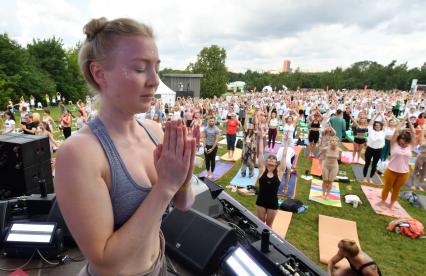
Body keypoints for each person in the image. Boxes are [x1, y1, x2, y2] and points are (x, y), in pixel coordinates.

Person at [55, 17, 195, 276]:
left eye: (156, 67)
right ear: (99, 74)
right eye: (140, 69)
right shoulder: (80, 153)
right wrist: (164, 187)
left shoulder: (154, 131)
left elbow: (184, 203)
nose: (154, 80)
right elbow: (107, 263)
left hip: (158, 265)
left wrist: (182, 178)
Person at [378, 116, 415, 209]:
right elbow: (396, 131)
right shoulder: (394, 145)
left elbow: (414, 133)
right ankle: (382, 201)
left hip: (404, 173)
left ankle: (391, 204)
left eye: (405, 140)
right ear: (399, 139)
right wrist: (403, 120)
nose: (403, 142)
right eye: (401, 139)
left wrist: (409, 122)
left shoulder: (410, 146)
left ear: (408, 141)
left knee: (397, 189)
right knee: (387, 187)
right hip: (391, 170)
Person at [255, 128, 290, 227]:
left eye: (273, 158)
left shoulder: (279, 172)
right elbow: (261, 153)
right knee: (261, 224)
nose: (271, 158)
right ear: (266, 162)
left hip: (273, 203)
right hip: (261, 201)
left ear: (276, 163)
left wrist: (286, 142)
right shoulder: (262, 170)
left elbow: (284, 155)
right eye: (269, 158)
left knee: (269, 225)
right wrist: (261, 138)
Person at [362, 114, 385, 183]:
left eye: (379, 125)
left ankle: (371, 178)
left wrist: (382, 114)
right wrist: (377, 114)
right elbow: (371, 122)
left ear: (381, 126)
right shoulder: (371, 130)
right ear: (374, 126)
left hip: (378, 150)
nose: (377, 126)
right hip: (370, 149)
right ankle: (364, 177)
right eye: (376, 125)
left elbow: (385, 122)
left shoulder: (383, 132)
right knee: (367, 164)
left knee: (374, 165)